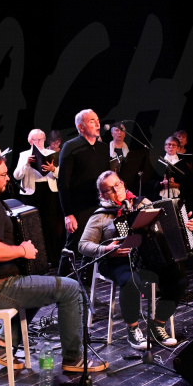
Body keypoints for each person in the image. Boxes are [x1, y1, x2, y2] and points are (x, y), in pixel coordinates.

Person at [0, 151, 107, 372]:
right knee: (71, 289)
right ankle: (74, 359)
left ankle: (2, 346)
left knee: (39, 282)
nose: (7, 179)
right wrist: (22, 250)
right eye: (2, 175)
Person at [79, 171, 193, 348]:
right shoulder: (100, 216)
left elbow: (163, 227)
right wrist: (106, 250)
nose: (116, 190)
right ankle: (133, 330)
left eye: (117, 185)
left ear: (123, 184)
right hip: (115, 261)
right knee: (131, 281)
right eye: (109, 189)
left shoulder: (142, 203)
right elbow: (83, 245)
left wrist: (183, 226)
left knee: (179, 279)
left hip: (148, 257)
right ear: (102, 195)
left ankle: (158, 324)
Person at [56, 109, 111, 277]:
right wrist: (68, 214)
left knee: (94, 245)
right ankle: (61, 283)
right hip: (79, 208)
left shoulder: (103, 148)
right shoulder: (70, 146)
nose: (98, 124)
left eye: (98, 120)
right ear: (81, 127)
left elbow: (106, 178)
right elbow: (63, 183)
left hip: (99, 205)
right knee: (73, 246)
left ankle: (86, 281)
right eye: (92, 121)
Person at [12, 129, 60, 266]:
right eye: (35, 140)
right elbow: (16, 176)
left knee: (50, 224)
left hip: (49, 191)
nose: (38, 142)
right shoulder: (24, 155)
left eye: (41, 139)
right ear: (30, 141)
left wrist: (53, 169)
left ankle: (53, 258)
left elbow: (61, 174)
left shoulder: (52, 154)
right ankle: (36, 258)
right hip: (31, 192)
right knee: (33, 225)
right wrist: (26, 164)